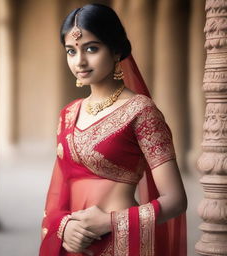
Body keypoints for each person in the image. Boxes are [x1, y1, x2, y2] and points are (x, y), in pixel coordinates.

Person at [39, 3, 187, 256]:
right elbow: (57, 195)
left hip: (120, 243)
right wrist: (64, 227)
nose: (80, 61)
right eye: (71, 51)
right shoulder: (68, 114)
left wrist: (108, 222)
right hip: (74, 243)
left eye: (91, 48)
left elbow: (175, 200)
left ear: (116, 50)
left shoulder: (141, 111)